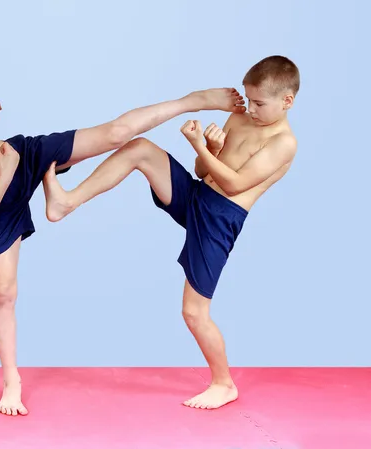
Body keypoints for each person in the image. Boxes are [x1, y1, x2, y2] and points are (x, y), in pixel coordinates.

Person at [0, 83, 246, 416]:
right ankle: (11, 380)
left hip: (23, 155)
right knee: (3, 292)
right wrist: (5, 172)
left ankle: (192, 100)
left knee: (117, 134)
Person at [42, 55, 300, 410]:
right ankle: (67, 202)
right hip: (197, 194)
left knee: (194, 313)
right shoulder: (240, 117)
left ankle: (224, 384)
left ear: (287, 101)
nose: (250, 108)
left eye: (259, 103)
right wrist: (210, 148)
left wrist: (198, 146)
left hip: (220, 218)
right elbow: (203, 169)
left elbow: (235, 182)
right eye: (248, 99)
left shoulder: (284, 143)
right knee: (140, 148)